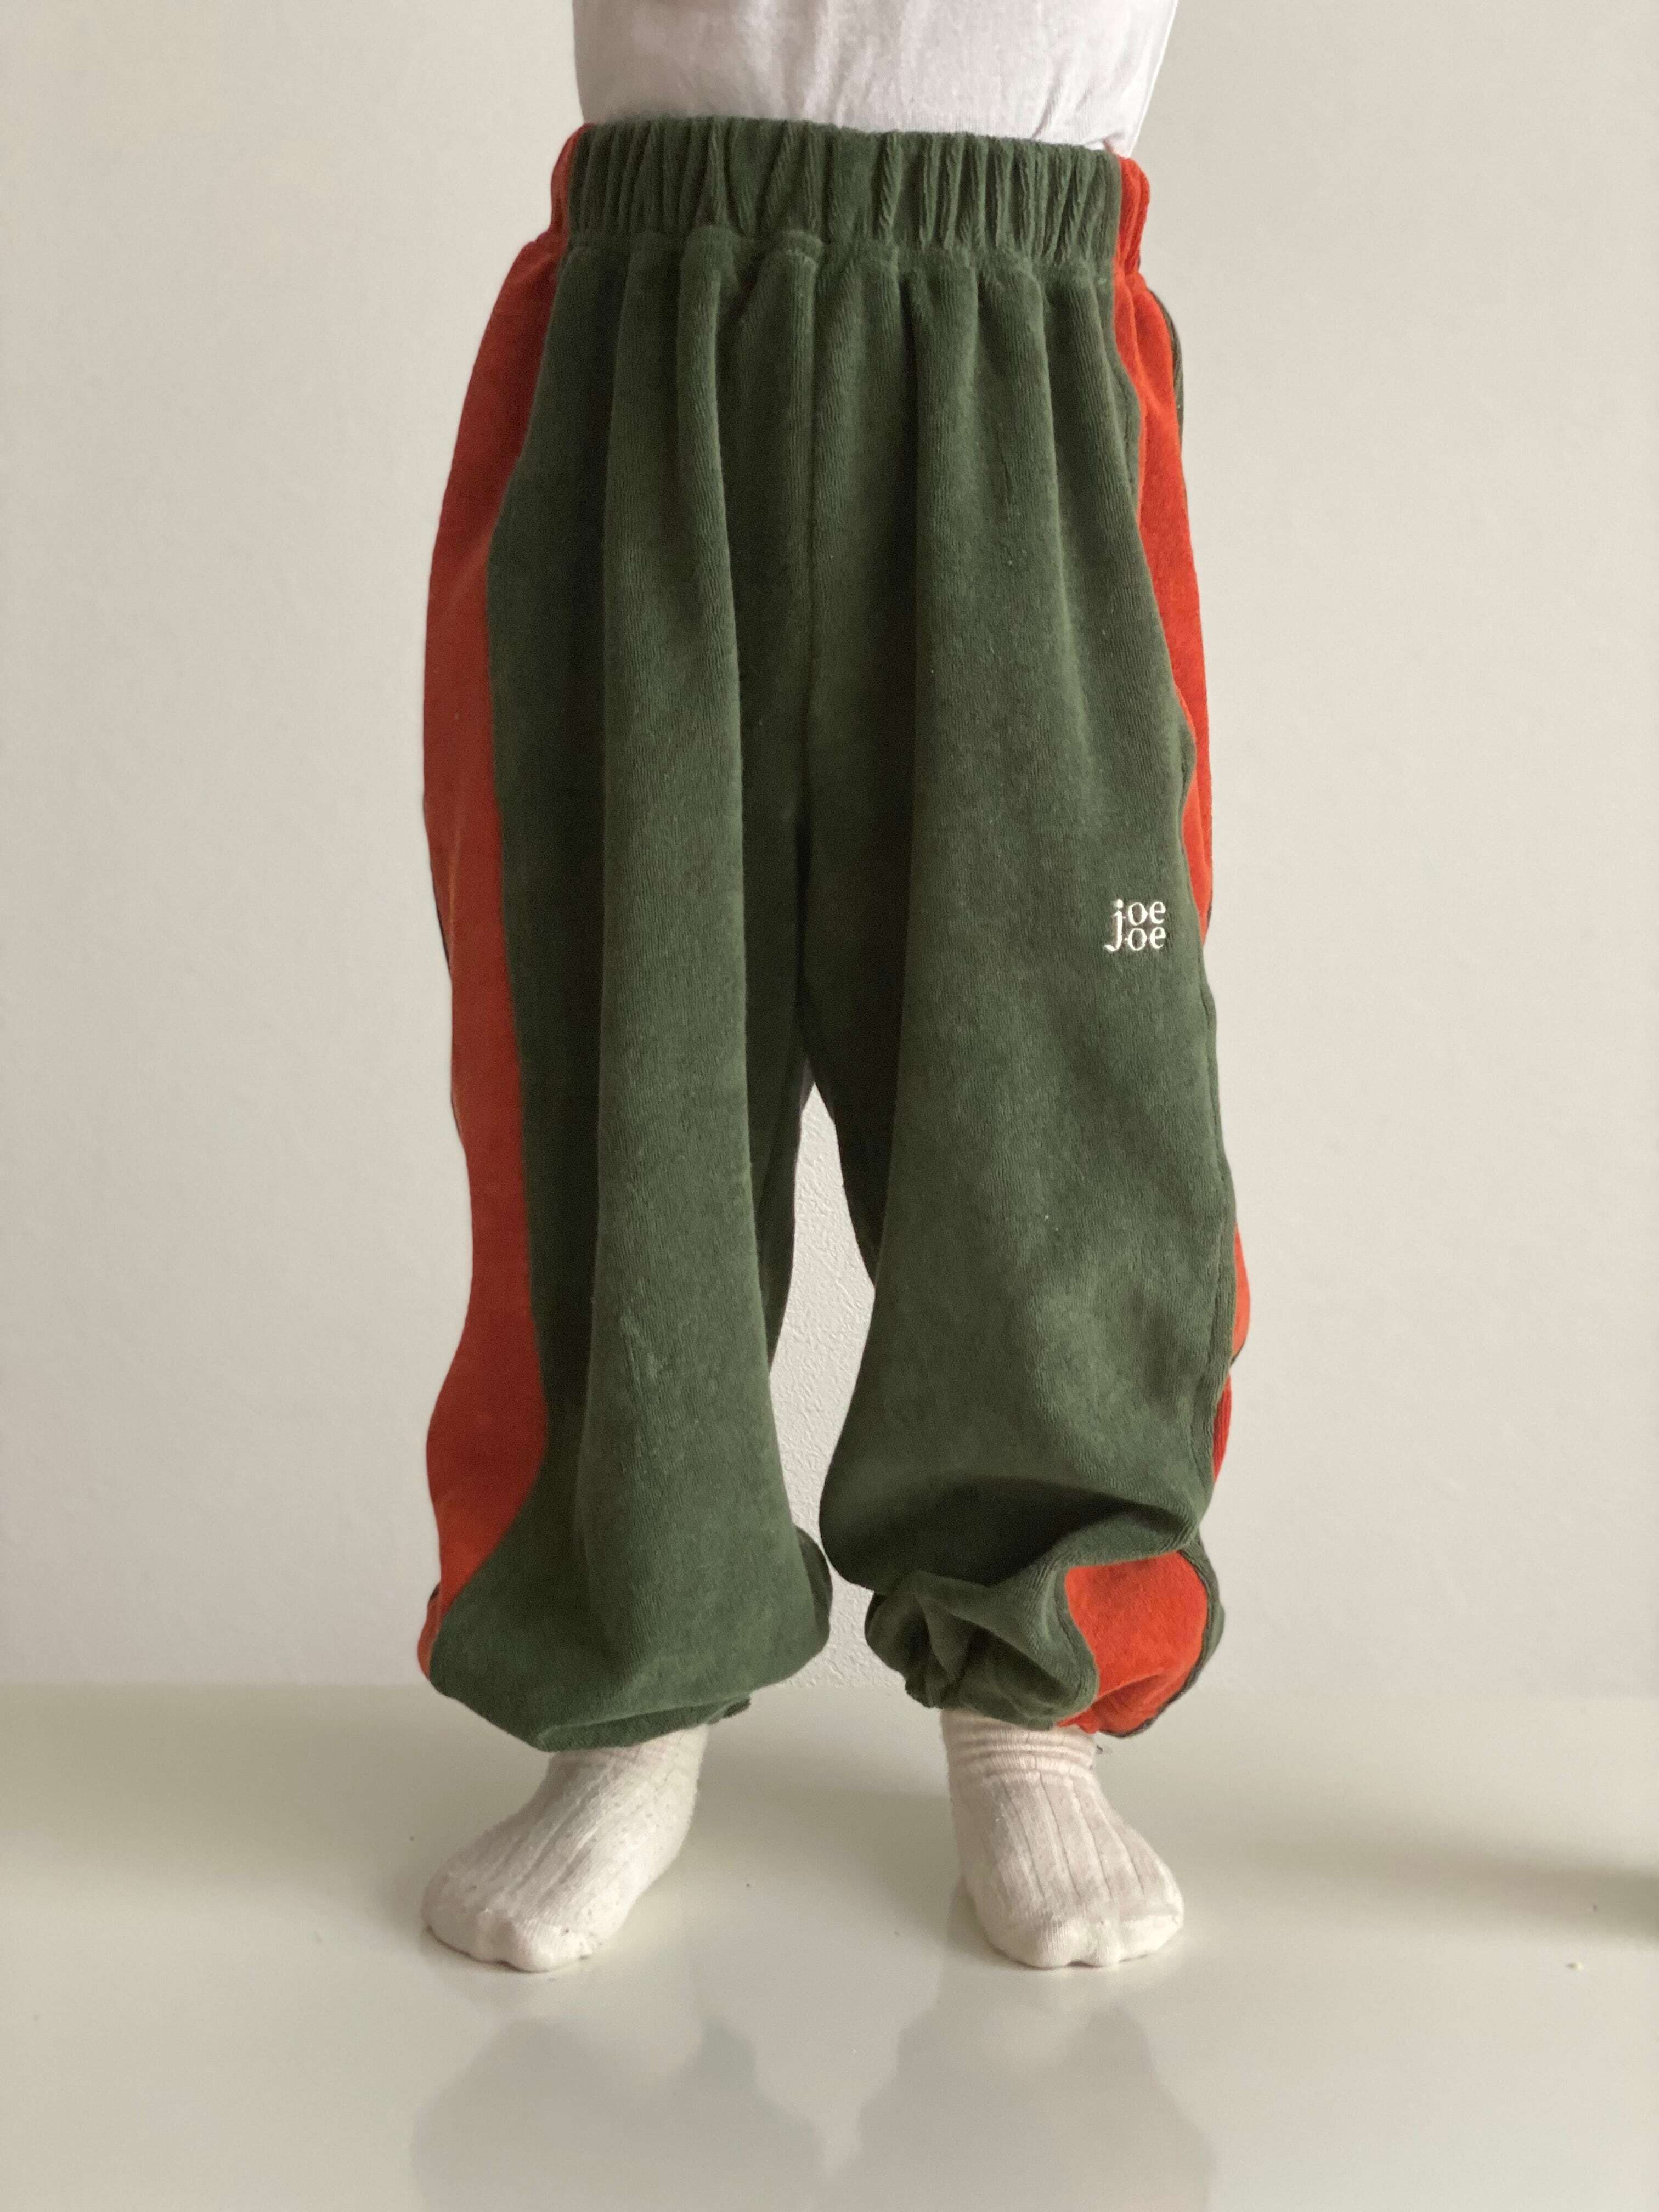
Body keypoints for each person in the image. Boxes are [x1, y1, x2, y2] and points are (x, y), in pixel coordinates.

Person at [416, 0, 1249, 1973]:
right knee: (610, 1036)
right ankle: (630, 1683)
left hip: (1026, 327)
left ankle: (1030, 1695)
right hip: (655, 310)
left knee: (1072, 1063)